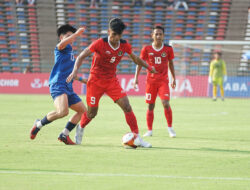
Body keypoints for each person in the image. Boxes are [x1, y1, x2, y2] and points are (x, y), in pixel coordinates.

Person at [67, 18, 156, 147]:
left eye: (118, 35)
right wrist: (75, 71)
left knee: (127, 106)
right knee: (92, 113)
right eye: (113, 34)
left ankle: (137, 137)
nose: (115, 38)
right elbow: (81, 56)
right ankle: (80, 127)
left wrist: (149, 67)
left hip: (111, 81)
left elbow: (135, 58)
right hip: (95, 81)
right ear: (109, 31)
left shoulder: (124, 45)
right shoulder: (99, 43)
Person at [30, 24, 88, 145]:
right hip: (58, 84)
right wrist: (76, 34)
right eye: (68, 36)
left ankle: (64, 134)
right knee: (63, 112)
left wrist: (81, 79)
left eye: (72, 36)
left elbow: (72, 73)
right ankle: (38, 124)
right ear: (61, 38)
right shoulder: (60, 48)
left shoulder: (70, 52)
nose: (71, 38)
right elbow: (61, 44)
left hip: (68, 87)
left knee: (83, 111)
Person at [133, 26, 176, 138]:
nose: (158, 36)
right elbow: (140, 63)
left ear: (163, 36)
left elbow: (171, 64)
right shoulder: (146, 49)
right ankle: (149, 130)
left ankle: (170, 128)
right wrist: (136, 77)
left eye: (160, 34)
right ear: (152, 36)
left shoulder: (168, 49)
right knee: (150, 106)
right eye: (156, 34)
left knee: (165, 103)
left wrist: (174, 78)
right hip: (150, 82)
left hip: (163, 81)